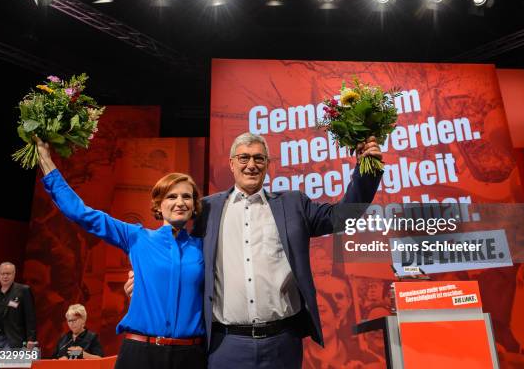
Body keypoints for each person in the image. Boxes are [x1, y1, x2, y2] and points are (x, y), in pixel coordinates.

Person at [126, 132, 382, 368]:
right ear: (231, 163)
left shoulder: (293, 204)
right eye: (244, 158)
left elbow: (343, 217)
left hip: (282, 342)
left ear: (268, 164)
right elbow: (179, 251)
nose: (251, 164)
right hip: (225, 345)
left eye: (259, 158)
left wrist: (366, 171)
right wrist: (146, 276)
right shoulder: (207, 209)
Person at [35, 137, 206, 369]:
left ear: (195, 205)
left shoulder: (203, 248)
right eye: (172, 196)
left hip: (189, 356)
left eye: (187, 196)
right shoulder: (137, 237)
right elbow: (82, 214)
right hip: (140, 355)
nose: (180, 202)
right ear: (158, 204)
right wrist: (45, 161)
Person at [0, 262, 37, 348]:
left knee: (9, 362)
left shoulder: (23, 290)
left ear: (14, 274)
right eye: (2, 274)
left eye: (8, 274)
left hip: (14, 339)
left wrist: (31, 338)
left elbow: (30, 316)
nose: (5, 276)